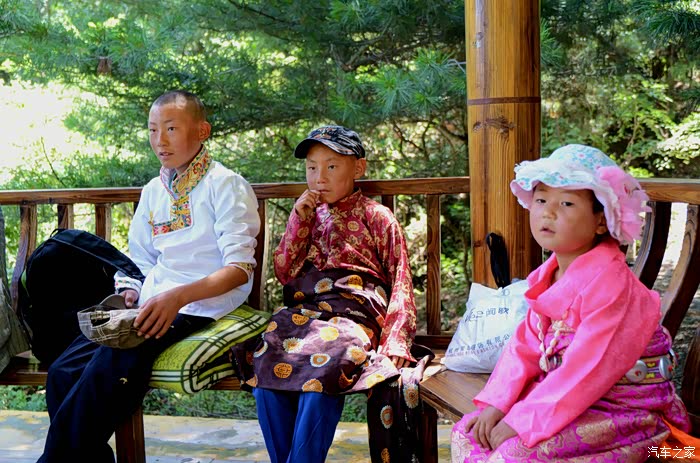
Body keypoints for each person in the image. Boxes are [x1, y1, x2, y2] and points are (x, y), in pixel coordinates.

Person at [38, 90, 260, 463]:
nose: (160, 140)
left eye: (171, 128)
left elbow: (238, 270)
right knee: (63, 370)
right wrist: (130, 289)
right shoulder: (154, 190)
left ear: (202, 131)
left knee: (111, 366)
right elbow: (140, 259)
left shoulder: (226, 184)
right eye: (153, 130)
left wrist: (178, 297)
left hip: (200, 304)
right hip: (153, 300)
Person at [451, 144, 693, 463]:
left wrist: (521, 421)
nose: (548, 212)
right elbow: (524, 347)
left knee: (513, 455)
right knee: (468, 433)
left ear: (601, 221)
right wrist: (497, 404)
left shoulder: (613, 286)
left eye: (566, 203)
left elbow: (587, 369)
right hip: (570, 398)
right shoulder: (549, 274)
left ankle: (657, 444)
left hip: (624, 409)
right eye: (541, 200)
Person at [233, 125, 422, 463]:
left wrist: (396, 340)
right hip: (304, 316)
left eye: (331, 166)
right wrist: (299, 222)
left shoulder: (378, 217)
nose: (319, 177)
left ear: (358, 168)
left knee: (323, 375)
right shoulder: (306, 215)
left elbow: (401, 278)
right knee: (267, 362)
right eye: (311, 168)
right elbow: (285, 272)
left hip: (353, 316)